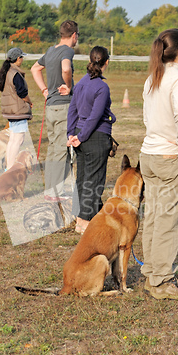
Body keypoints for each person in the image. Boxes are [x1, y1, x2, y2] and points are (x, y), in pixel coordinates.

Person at [140, 28, 178, 300]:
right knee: (169, 221)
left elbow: (147, 117)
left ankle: (151, 274)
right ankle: (161, 281)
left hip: (148, 154)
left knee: (154, 216)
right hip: (170, 157)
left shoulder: (152, 78)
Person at [67, 46, 116, 234]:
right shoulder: (102, 87)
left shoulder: (80, 83)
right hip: (94, 136)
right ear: (106, 62)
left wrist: (71, 134)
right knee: (94, 181)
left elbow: (73, 110)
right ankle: (84, 222)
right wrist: (80, 136)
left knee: (83, 178)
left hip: (81, 134)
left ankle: (81, 216)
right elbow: (95, 117)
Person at [31, 20, 79, 202]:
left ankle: (50, 189)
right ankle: (55, 192)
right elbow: (66, 68)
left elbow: (35, 68)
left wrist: (44, 90)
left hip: (51, 106)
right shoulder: (67, 51)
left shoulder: (50, 50)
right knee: (60, 150)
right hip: (63, 105)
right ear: (74, 35)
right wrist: (68, 85)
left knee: (52, 149)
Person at [0, 47, 32, 170]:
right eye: (22, 57)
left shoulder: (6, 71)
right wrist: (29, 101)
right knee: (18, 139)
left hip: (11, 110)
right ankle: (11, 167)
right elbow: (22, 93)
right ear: (18, 58)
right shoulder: (15, 73)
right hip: (18, 111)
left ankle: (8, 166)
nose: (22, 59)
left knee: (13, 139)